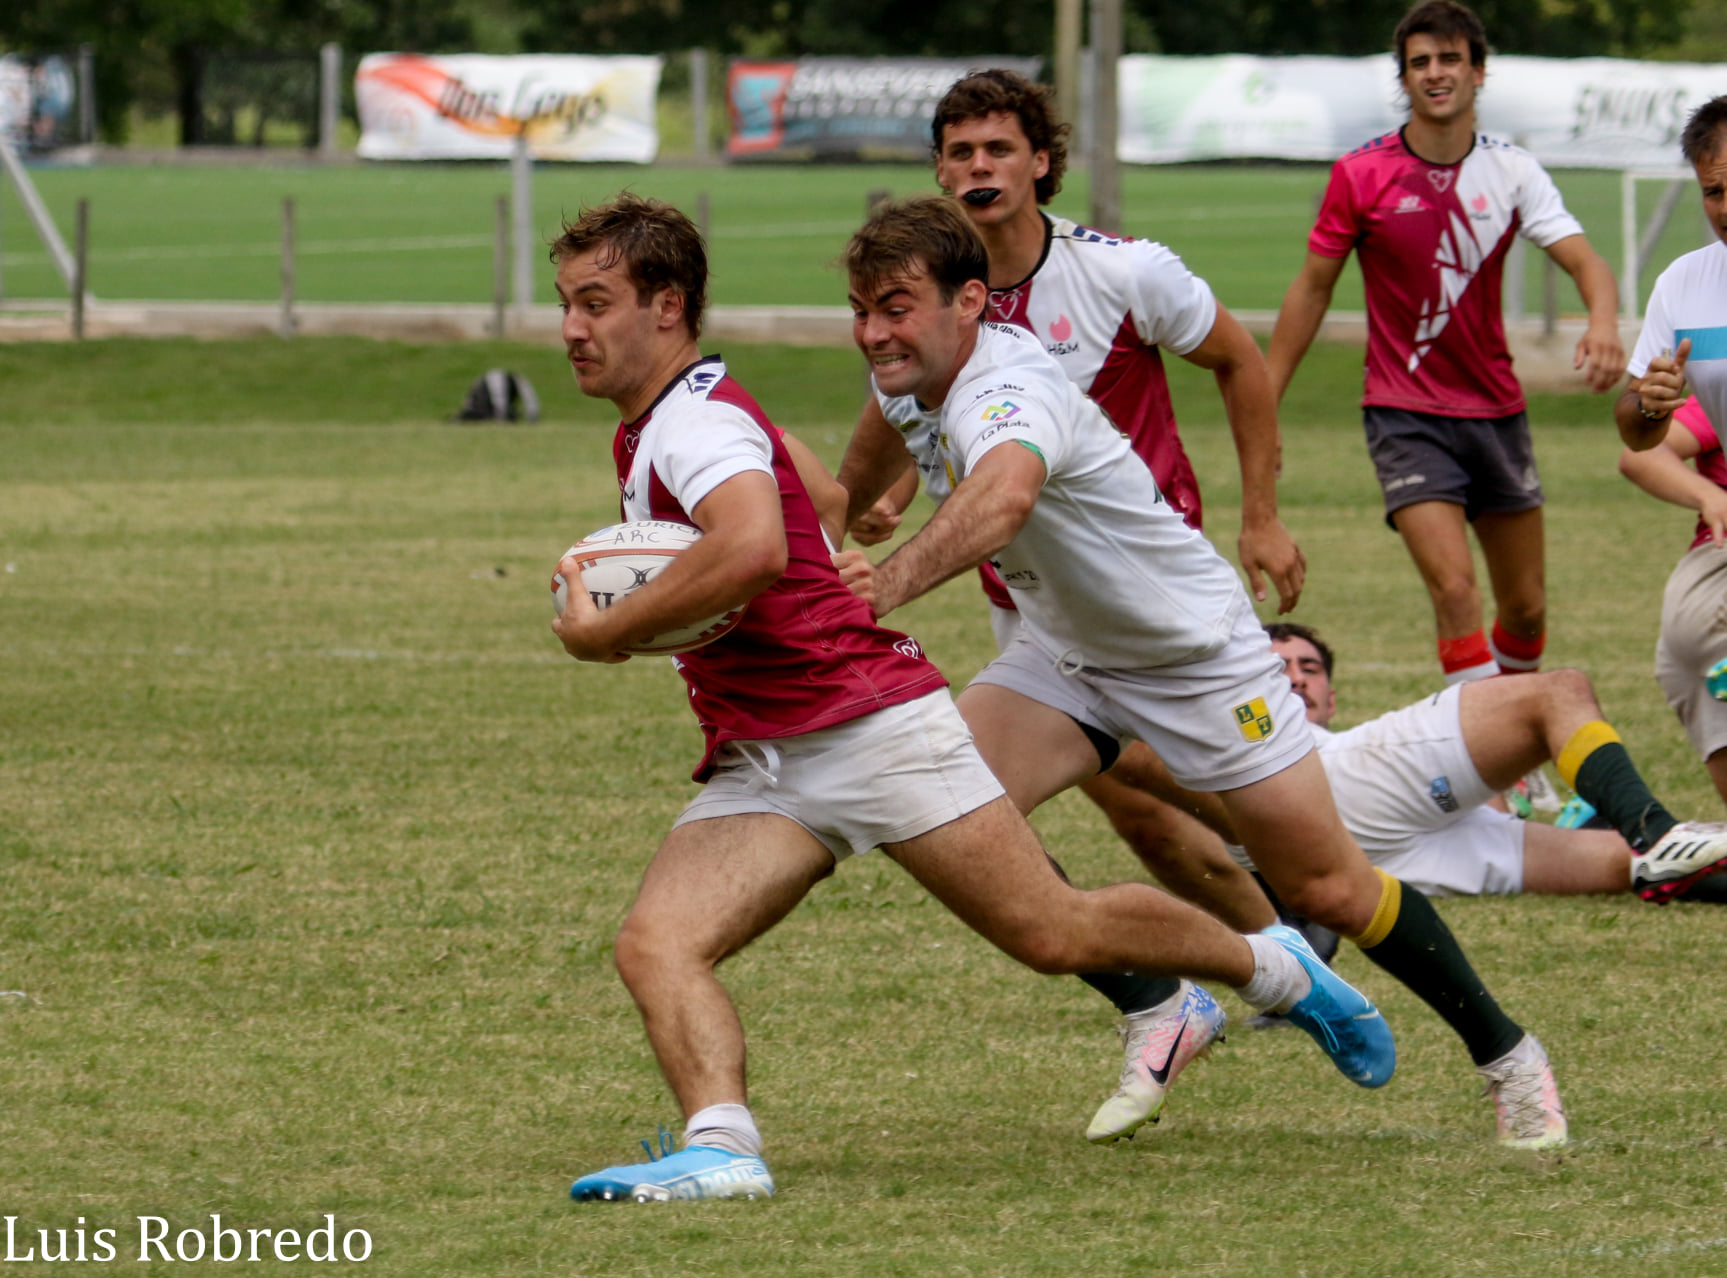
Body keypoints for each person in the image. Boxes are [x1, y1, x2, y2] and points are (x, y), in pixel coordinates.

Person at [548, 193, 1389, 1203]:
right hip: (769, 748)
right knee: (656, 942)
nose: (571, 330)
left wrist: (615, 629)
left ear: (667, 305)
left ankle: (1276, 968)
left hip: (866, 725)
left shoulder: (691, 427)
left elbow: (756, 542)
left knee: (1051, 933)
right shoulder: (684, 416)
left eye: (594, 304)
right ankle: (723, 1148)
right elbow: (811, 506)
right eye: (566, 304)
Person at [839, 194, 1565, 1152]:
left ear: (970, 301)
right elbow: (843, 489)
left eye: (895, 306)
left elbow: (1003, 496)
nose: (873, 332)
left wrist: (882, 584)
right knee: (930, 808)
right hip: (1063, 655)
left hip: (1194, 660)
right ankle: (1163, 1004)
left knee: (1333, 887)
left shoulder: (1007, 385)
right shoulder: (907, 379)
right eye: (861, 309)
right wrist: (795, 549)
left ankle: (1510, 1058)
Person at [848, 67, 1303, 1105]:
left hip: (1148, 599)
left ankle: (1277, 939)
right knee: (1071, 818)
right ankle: (1260, 958)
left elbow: (1241, 360)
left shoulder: (1117, 272)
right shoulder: (922, 305)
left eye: (997, 149)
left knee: (1164, 805)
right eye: (958, 152)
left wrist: (1261, 512)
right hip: (1036, 616)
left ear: (1041, 161)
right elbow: (883, 451)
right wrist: (868, 510)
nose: (978, 168)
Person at [1267, 0, 1624, 690]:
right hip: (1403, 414)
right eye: (1419, 62)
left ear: (1478, 72)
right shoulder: (1360, 174)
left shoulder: (1513, 172)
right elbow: (1310, 290)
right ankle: (1496, 771)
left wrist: (1602, 323)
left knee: (1525, 609)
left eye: (1449, 59)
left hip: (1494, 412)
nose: (1435, 74)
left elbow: (1587, 263)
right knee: (1454, 590)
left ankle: (1509, 735)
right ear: (1403, 78)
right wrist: (1265, 402)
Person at [1616, 96, 1727, 810]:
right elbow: (1633, 435)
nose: (1726, 206)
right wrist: (1649, 402)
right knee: (1686, 645)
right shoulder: (1684, 285)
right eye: (1714, 190)